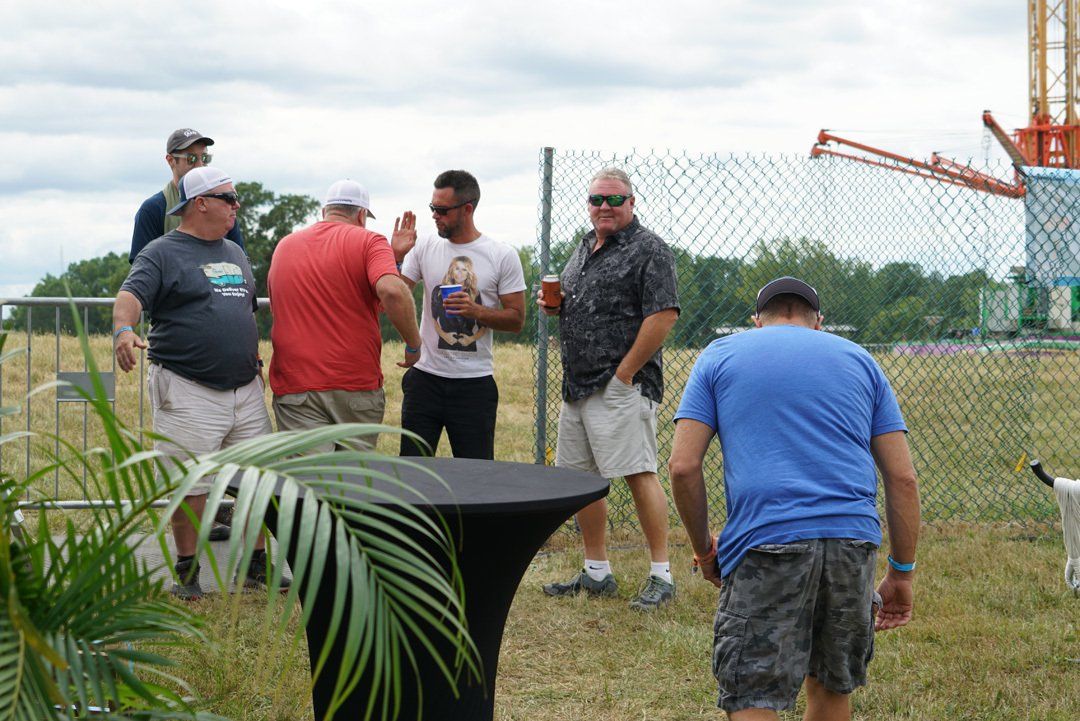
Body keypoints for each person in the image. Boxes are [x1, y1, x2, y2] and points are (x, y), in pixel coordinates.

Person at [668, 277, 921, 720]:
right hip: (851, 543)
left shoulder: (720, 355)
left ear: (756, 321)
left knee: (753, 693)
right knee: (829, 688)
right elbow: (903, 479)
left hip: (766, 542)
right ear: (818, 323)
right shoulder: (861, 360)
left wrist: (705, 549)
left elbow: (683, 466)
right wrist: (901, 572)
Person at [113, 166, 289, 600]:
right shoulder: (162, 251)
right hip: (187, 386)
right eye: (228, 198)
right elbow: (130, 297)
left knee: (258, 478)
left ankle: (256, 564)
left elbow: (243, 311)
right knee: (190, 484)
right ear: (200, 203)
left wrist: (253, 356)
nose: (237, 205)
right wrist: (122, 330)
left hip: (244, 388)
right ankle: (188, 573)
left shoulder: (234, 251)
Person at [539, 167, 680, 612]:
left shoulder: (650, 249)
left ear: (632, 204)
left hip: (621, 384)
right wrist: (555, 305)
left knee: (639, 472)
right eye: (597, 199)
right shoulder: (584, 246)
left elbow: (663, 315)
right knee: (582, 480)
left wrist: (624, 375)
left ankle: (662, 574)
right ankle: (597, 571)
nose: (604, 207)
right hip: (576, 385)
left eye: (615, 200)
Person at [267, 180, 422, 450]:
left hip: (296, 386)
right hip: (354, 386)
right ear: (362, 215)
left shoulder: (285, 245)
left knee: (308, 485)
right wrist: (413, 344)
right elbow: (392, 293)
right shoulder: (371, 241)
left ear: (325, 210)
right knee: (352, 485)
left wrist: (393, 256)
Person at [392, 170, 526, 459]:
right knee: (411, 471)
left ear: (467, 209)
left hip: (474, 384)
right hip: (425, 379)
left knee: (475, 478)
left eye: (441, 210)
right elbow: (394, 295)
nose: (435, 216)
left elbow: (516, 319)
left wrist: (476, 310)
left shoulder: (501, 254)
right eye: (432, 208)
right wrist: (397, 258)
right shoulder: (425, 246)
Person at [129, 128, 245, 263]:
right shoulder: (153, 209)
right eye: (191, 158)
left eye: (205, 158)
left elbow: (241, 262)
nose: (200, 165)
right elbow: (142, 270)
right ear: (171, 160)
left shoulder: (222, 206)